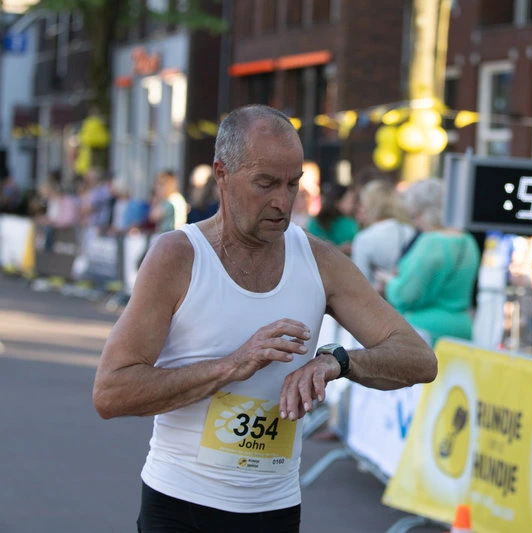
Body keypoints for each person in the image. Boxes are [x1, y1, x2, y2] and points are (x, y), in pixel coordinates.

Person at [92, 104, 437, 533]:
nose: (282, 202)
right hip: (181, 505)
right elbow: (111, 391)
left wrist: (337, 362)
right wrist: (232, 365)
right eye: (266, 183)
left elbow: (419, 359)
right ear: (221, 174)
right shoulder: (178, 256)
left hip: (274, 509)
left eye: (293, 184)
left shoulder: (318, 260)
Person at [381, 177, 481, 345]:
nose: (416, 223)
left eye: (414, 216)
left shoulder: (431, 242)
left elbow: (406, 294)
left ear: (425, 212)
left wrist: (389, 282)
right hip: (462, 329)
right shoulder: (468, 240)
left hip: (425, 332)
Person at [351, 177, 415, 288]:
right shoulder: (409, 230)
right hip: (405, 294)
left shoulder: (364, 238)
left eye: (362, 204)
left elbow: (360, 284)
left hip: (377, 296)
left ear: (369, 206)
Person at [305, 182, 359, 255]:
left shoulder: (314, 221)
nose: (353, 205)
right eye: (350, 201)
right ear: (338, 202)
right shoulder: (350, 224)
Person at [148, 170, 188, 234]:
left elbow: (154, 216)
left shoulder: (173, 199)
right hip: (172, 235)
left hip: (173, 235)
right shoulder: (175, 198)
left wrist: (157, 200)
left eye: (160, 185)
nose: (156, 188)